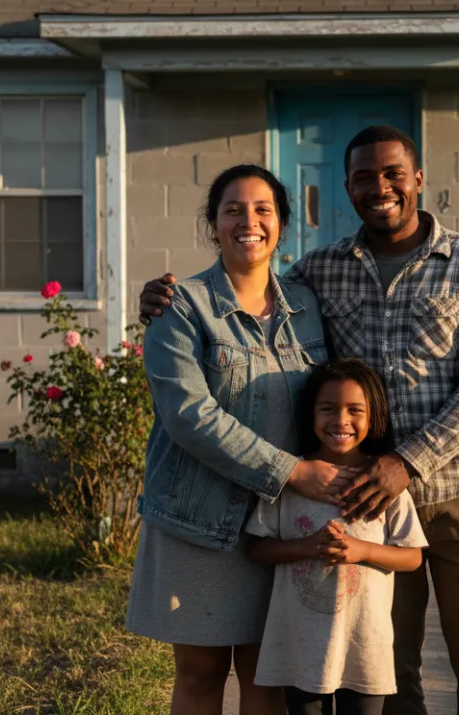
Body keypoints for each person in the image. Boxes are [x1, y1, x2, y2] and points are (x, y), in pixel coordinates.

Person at [139, 126, 459, 714]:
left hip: (457, 487)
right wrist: (160, 298)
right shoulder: (319, 275)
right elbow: (196, 393)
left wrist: (404, 463)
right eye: (364, 177)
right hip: (349, 499)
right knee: (385, 669)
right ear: (346, 188)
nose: (381, 187)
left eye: (394, 173)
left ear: (419, 179)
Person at [129, 164, 360, 715]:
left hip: (281, 525)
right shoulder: (180, 307)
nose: (248, 221)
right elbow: (188, 415)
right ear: (213, 224)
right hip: (198, 520)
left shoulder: (308, 308)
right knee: (203, 672)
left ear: (281, 225)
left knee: (266, 673)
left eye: (263, 210)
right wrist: (294, 471)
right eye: (233, 209)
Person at [246, 358, 428, 715]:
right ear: (310, 413)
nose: (341, 421)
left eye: (355, 410)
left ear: (373, 416)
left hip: (364, 646)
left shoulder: (382, 485)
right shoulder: (292, 481)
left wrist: (361, 550)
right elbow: (256, 548)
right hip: (300, 647)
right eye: (328, 408)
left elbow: (412, 556)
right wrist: (309, 547)